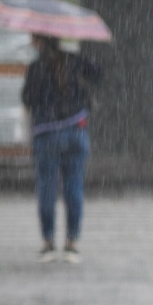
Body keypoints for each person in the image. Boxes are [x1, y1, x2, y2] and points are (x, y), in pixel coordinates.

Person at [22, 35, 102, 264]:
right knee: (74, 187)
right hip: (76, 131)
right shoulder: (74, 61)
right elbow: (98, 74)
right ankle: (71, 243)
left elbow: (27, 98)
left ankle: (48, 243)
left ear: (40, 42)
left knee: (47, 188)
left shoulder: (36, 68)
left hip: (46, 134)